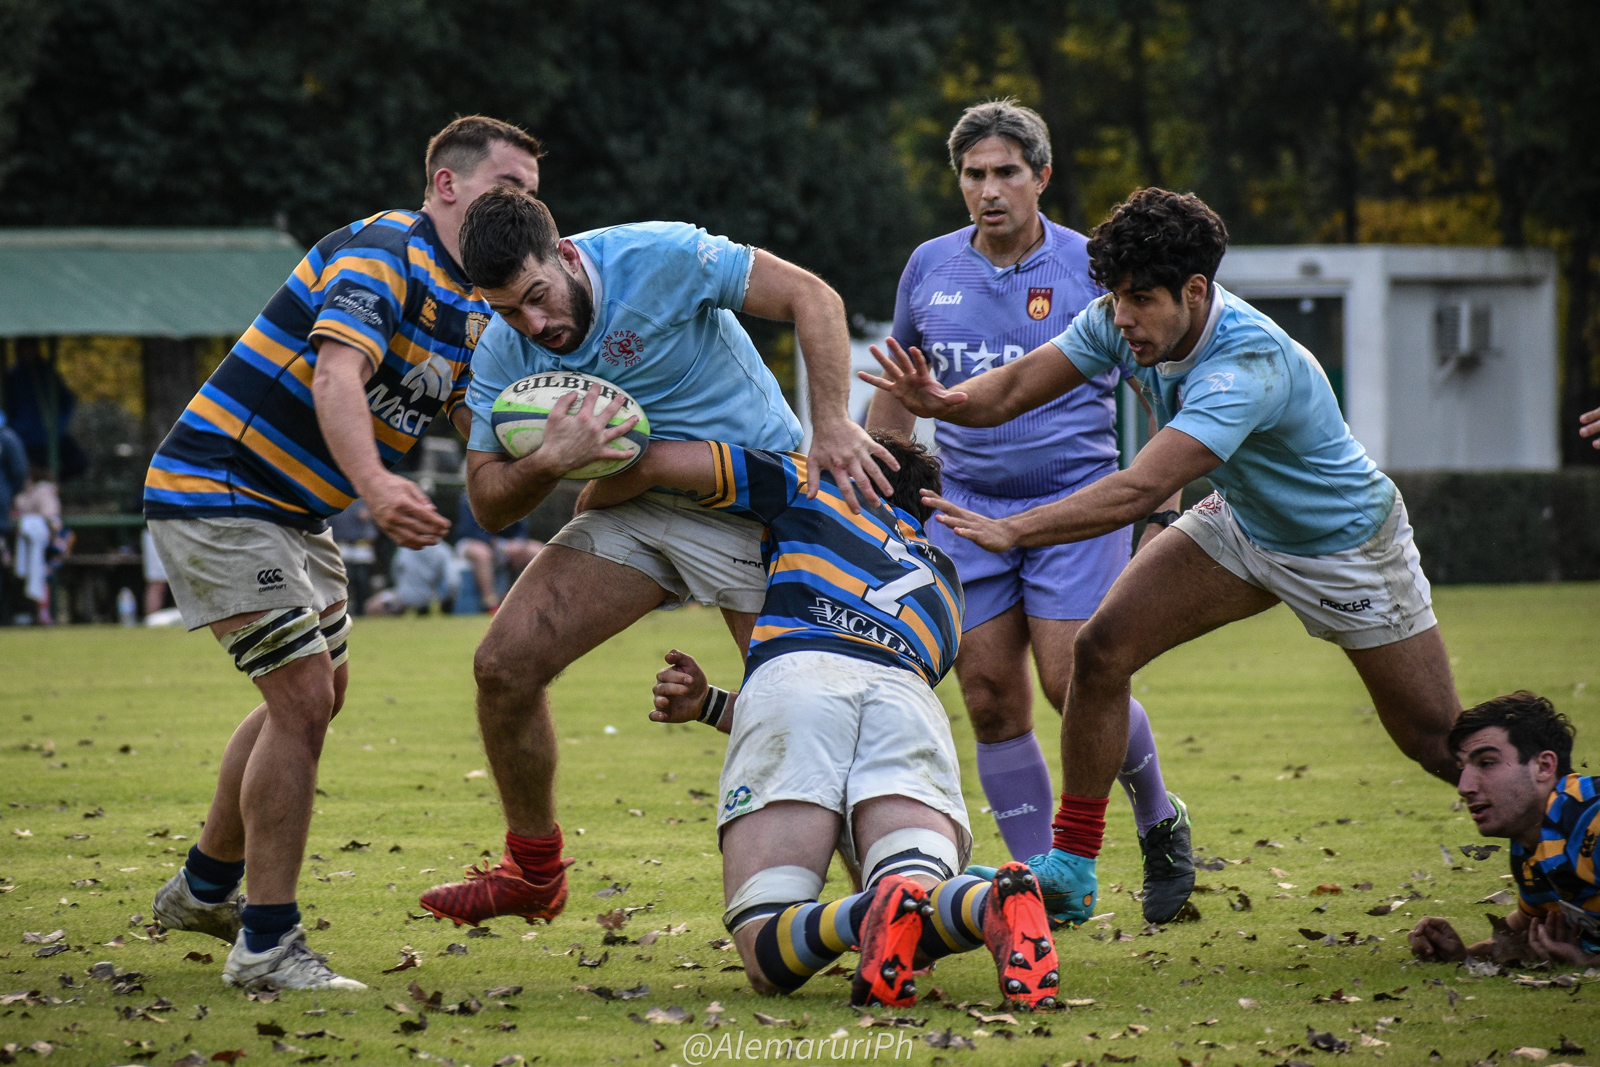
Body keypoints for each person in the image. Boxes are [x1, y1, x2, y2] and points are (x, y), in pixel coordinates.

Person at [864, 187, 1461, 926]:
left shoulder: (1247, 363)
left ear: (1195, 291)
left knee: (1437, 742)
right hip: (1243, 525)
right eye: (1116, 296)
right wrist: (943, 403)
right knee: (1100, 652)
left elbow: (1140, 486)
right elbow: (1015, 386)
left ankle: (1562, 833)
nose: (1123, 317)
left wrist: (1015, 530)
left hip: (1344, 548)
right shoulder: (1120, 321)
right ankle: (1072, 864)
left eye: (1141, 299)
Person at [419, 187, 896, 928]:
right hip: (638, 502)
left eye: (538, 297)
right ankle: (535, 873)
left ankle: (895, 912)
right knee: (503, 666)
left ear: (565, 255)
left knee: (806, 714)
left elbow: (813, 296)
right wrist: (548, 461)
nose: (534, 326)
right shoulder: (502, 346)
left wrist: (831, 422)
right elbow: (486, 503)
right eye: (509, 310)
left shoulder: (661, 255)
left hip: (748, 500)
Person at [141, 115, 542, 991]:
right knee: (301, 696)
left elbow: (474, 420)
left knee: (322, 695)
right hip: (222, 488)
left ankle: (204, 888)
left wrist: (559, 440)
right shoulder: (383, 251)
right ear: (446, 184)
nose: (521, 206)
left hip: (295, 514)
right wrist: (377, 486)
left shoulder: (476, 303)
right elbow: (335, 375)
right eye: (507, 185)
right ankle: (267, 946)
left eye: (531, 194)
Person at [587, 431, 1060, 1010]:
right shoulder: (945, 585)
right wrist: (710, 704)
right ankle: (987, 903)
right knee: (915, 902)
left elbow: (659, 459)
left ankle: (867, 910)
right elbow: (850, 714)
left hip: (798, 676)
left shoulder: (812, 484)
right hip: (908, 699)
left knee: (765, 937)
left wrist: (593, 502)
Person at [867, 100, 1192, 923]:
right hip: (962, 509)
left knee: (1070, 680)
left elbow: (1160, 386)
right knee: (987, 696)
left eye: (1006, 172)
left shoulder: (1091, 266)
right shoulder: (928, 266)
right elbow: (901, 390)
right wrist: (877, 487)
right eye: (973, 174)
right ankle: (1039, 885)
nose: (989, 189)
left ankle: (1159, 816)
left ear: (1041, 176)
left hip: (1075, 505)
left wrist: (1161, 502)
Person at [1409, 692, 1598, 966]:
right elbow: (1523, 928)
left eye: (1486, 763)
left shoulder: (1592, 820)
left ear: (1543, 766)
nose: (1464, 787)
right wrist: (1464, 954)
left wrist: (1588, 961)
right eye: (1463, 768)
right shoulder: (1531, 843)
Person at [454, 492, 541, 611]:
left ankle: (533, 600)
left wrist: (518, 543)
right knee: (482, 553)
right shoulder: (471, 496)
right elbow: (471, 531)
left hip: (506, 545)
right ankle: (490, 603)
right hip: (473, 542)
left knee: (537, 550)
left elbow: (521, 530)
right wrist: (499, 543)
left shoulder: (516, 495)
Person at [364, 541, 459, 615]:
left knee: (372, 606)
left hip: (402, 598)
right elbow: (453, 582)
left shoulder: (408, 545)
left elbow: (395, 570)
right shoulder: (443, 550)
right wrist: (444, 600)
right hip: (429, 599)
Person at [326, 500, 377, 614]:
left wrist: (369, 515)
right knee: (345, 578)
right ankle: (344, 610)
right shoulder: (336, 499)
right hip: (342, 544)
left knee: (362, 579)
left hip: (361, 545)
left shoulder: (363, 499)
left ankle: (361, 610)